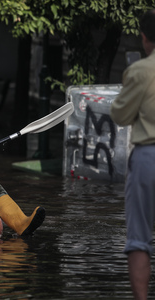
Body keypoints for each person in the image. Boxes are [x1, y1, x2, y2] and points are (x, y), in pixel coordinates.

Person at [110, 9, 155, 300]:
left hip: (149, 157)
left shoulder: (141, 71)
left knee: (139, 237)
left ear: (144, 37)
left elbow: (121, 114)